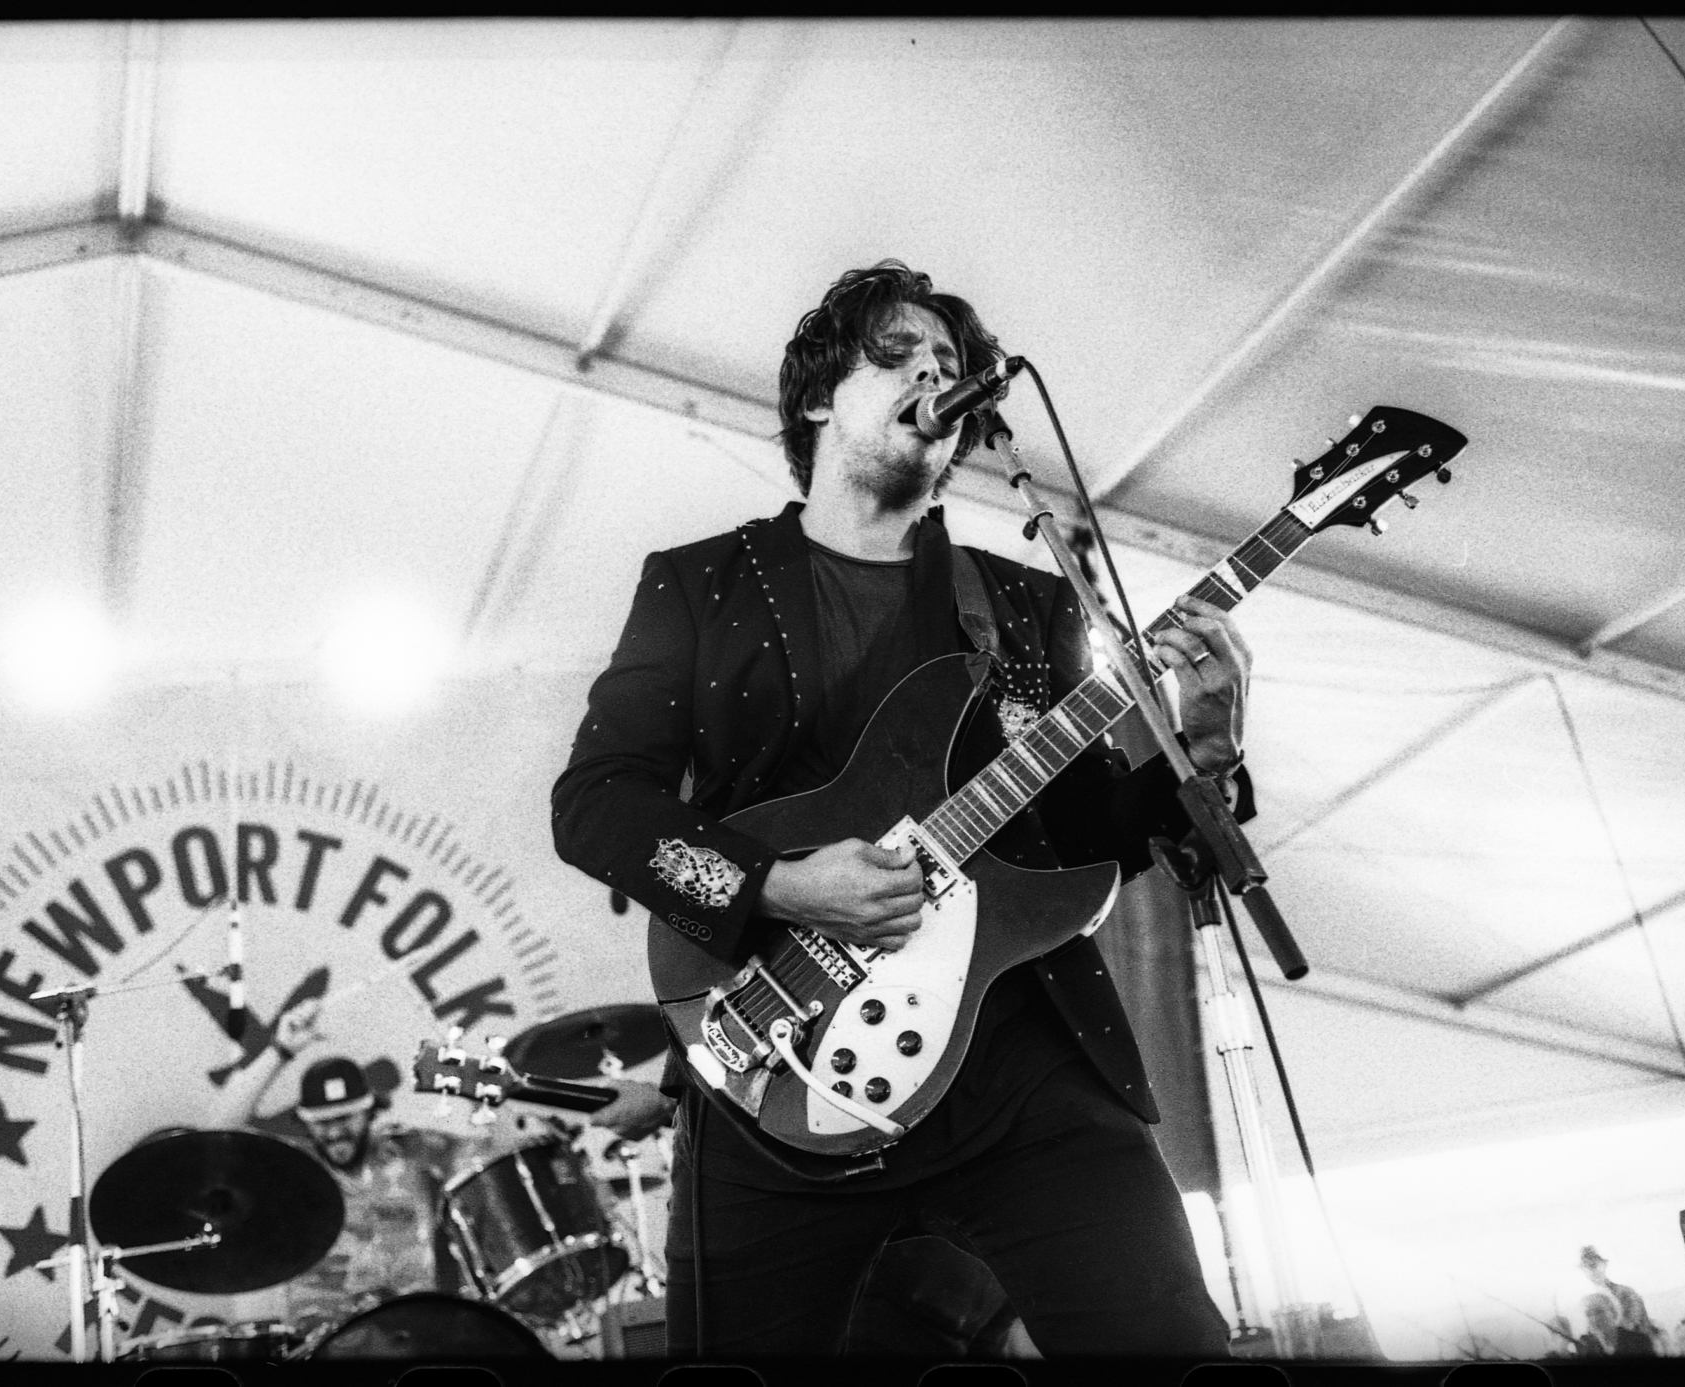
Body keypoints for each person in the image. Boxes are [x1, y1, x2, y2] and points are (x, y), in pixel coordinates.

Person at [552, 260, 1257, 1356]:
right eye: (897, 355)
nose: (934, 371)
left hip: (1016, 1057)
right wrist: (780, 883)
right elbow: (594, 806)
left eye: (951, 364)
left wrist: (1200, 753)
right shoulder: (698, 587)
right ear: (819, 396)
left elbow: (1086, 844)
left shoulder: (1020, 599)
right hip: (771, 1059)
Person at [207, 998, 511, 1338]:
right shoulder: (292, 1171)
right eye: (322, 1122)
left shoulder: (414, 1149)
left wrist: (475, 1079)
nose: (335, 1131)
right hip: (327, 1346)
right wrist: (280, 1050)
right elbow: (215, 1137)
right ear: (305, 1122)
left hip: (417, 1334)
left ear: (370, 1112)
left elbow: (498, 1152)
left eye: (345, 1117)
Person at [1576, 1246, 1659, 1356]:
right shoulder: (1590, 1303)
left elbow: (1632, 1326)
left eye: (1594, 1265)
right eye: (1586, 1267)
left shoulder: (1626, 1293)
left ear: (1604, 1265)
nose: (1592, 1270)